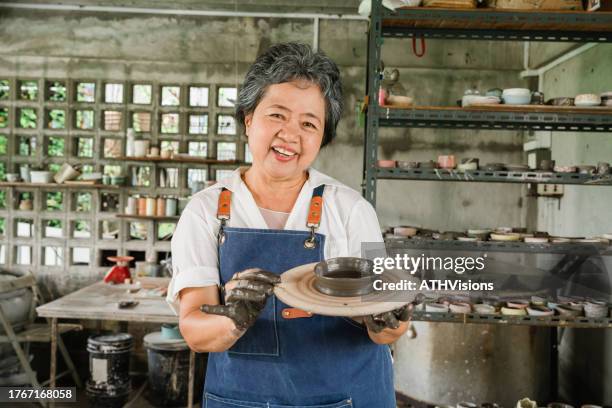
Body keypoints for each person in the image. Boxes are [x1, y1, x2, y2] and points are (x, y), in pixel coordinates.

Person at [167, 42, 409, 408]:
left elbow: (390, 325)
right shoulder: (205, 212)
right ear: (249, 119)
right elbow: (195, 330)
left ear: (321, 137)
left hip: (348, 396)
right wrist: (232, 319)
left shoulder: (352, 210)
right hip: (244, 398)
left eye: (308, 123)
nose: (290, 135)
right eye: (277, 115)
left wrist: (387, 320)